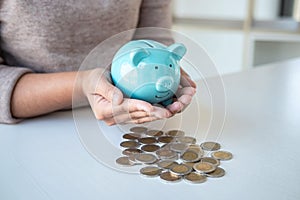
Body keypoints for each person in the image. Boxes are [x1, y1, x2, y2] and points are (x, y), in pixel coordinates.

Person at [0, 0, 196, 125]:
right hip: (31, 128)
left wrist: (169, 70)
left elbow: (154, 37)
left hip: (127, 125)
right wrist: (82, 85)